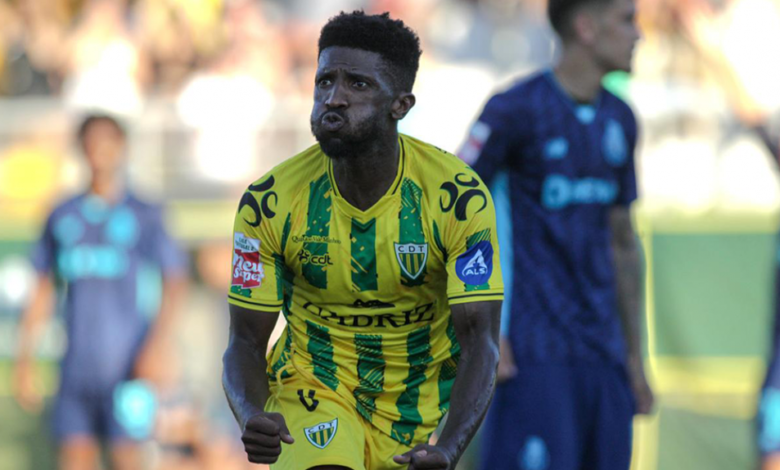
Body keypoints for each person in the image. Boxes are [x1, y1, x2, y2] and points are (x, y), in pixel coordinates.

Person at [222, 11, 504, 470]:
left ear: (401, 105)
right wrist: (252, 414)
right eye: (324, 81)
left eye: (358, 84)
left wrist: (449, 448)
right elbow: (245, 342)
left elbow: (481, 343)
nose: (333, 98)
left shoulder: (457, 198)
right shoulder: (269, 202)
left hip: (410, 414)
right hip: (312, 390)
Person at [458, 0, 654, 469]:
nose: (639, 34)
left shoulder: (621, 119)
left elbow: (623, 244)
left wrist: (635, 358)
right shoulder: (513, 110)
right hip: (533, 352)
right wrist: (483, 328)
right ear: (586, 27)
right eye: (627, 20)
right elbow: (454, 213)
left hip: (604, 356)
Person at [13, 114, 187, 470]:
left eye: (108, 141)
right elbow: (43, 288)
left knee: (127, 458)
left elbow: (175, 282)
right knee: (74, 459)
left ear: (122, 148)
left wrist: (157, 345)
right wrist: (25, 358)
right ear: (81, 149)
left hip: (129, 366)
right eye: (92, 142)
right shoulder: (62, 214)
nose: (100, 151)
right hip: (76, 367)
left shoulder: (144, 213)